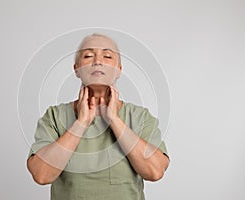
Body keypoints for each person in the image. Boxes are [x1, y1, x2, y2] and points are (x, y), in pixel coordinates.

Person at [27, 33, 170, 200]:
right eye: (88, 56)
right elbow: (42, 175)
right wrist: (81, 123)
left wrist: (114, 120)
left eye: (107, 56)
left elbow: (155, 171)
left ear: (119, 70)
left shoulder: (140, 117)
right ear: (76, 69)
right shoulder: (54, 116)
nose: (97, 61)